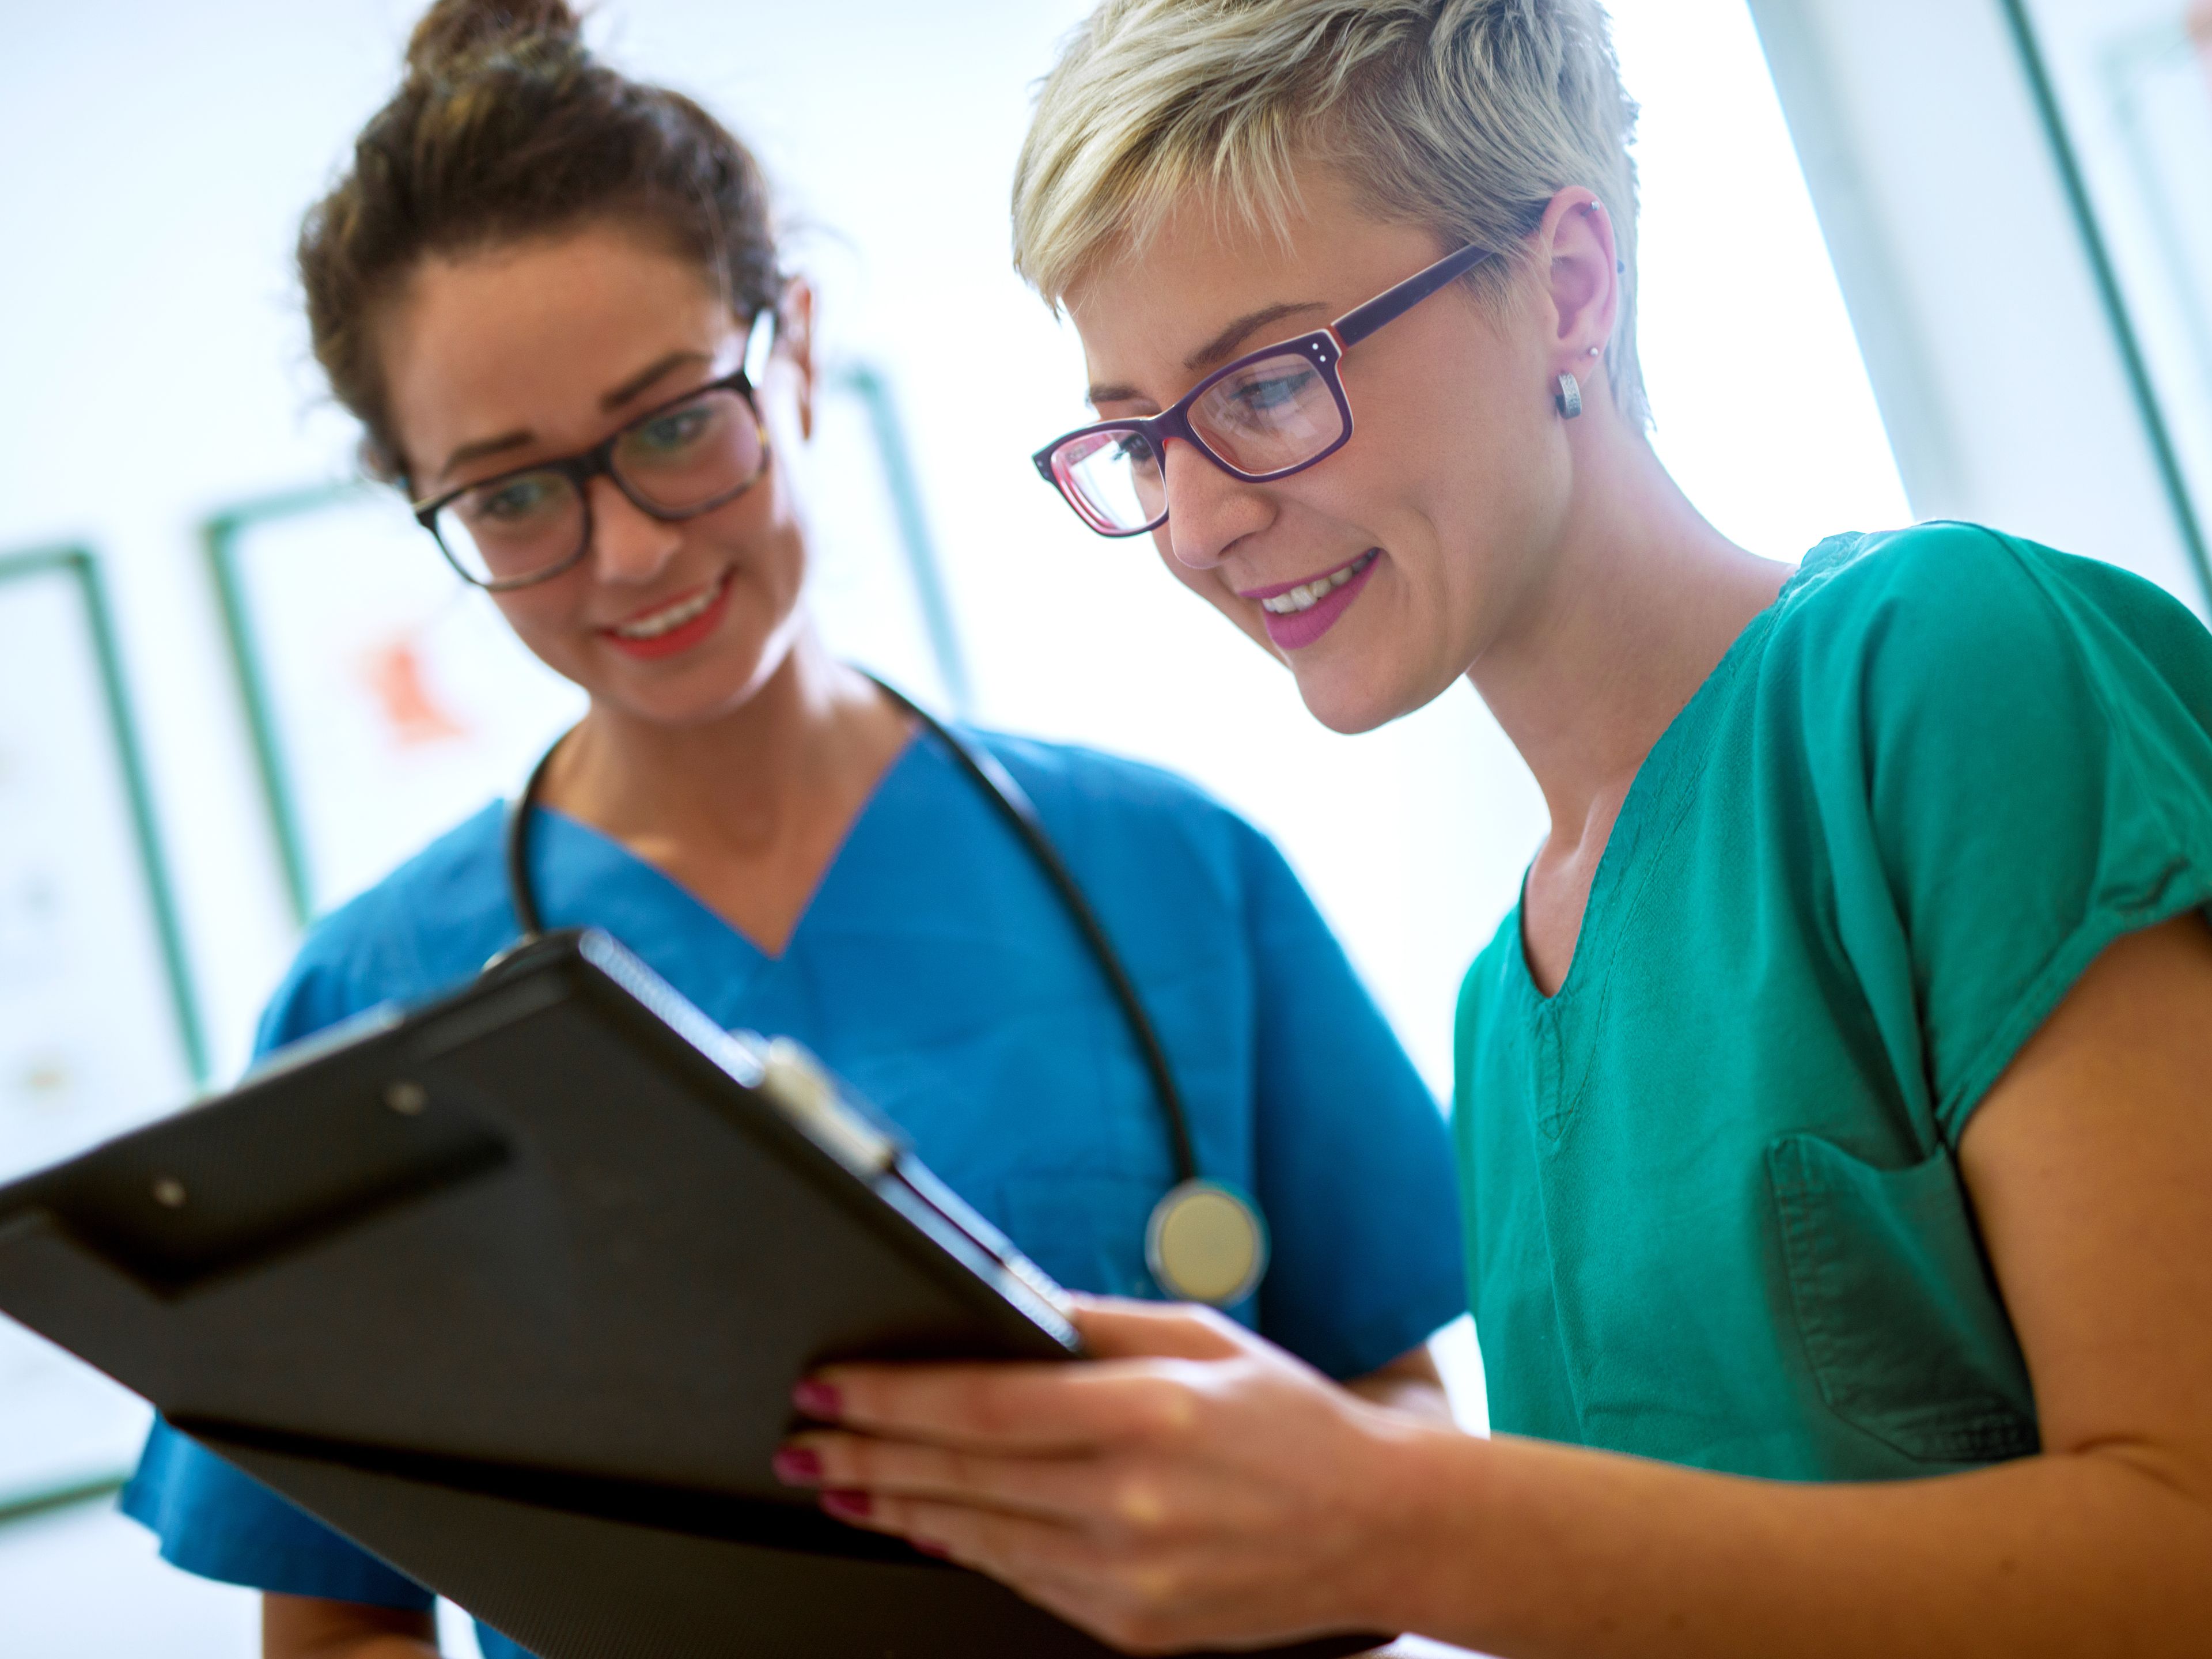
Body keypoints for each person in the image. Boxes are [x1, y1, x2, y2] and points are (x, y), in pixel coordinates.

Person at [780, 2, 2212, 1653]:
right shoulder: (1507, 992)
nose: (1200, 521)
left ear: (1569, 285)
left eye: (1262, 382)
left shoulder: (1942, 669)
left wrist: (1393, 1517)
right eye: (1141, 435)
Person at [119, 5, 1471, 1656]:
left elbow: (1400, 1420)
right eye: (515, 495)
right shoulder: (370, 1009)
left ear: (797, 349)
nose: (625, 553)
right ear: (427, 503)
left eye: (676, 422)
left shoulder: (1172, 869)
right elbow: (337, 1621)